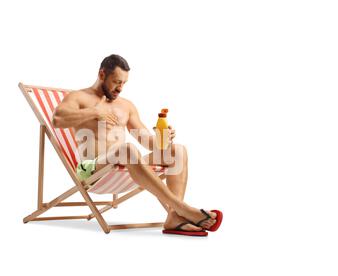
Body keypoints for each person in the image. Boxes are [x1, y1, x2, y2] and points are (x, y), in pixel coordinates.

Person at [52, 54, 221, 235]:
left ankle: (173, 217)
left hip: (125, 166)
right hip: (92, 170)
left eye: (124, 83)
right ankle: (183, 209)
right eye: (117, 82)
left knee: (177, 151)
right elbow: (58, 120)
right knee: (127, 149)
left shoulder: (126, 106)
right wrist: (94, 111)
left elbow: (148, 142)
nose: (120, 88)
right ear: (102, 74)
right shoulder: (79, 97)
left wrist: (163, 138)